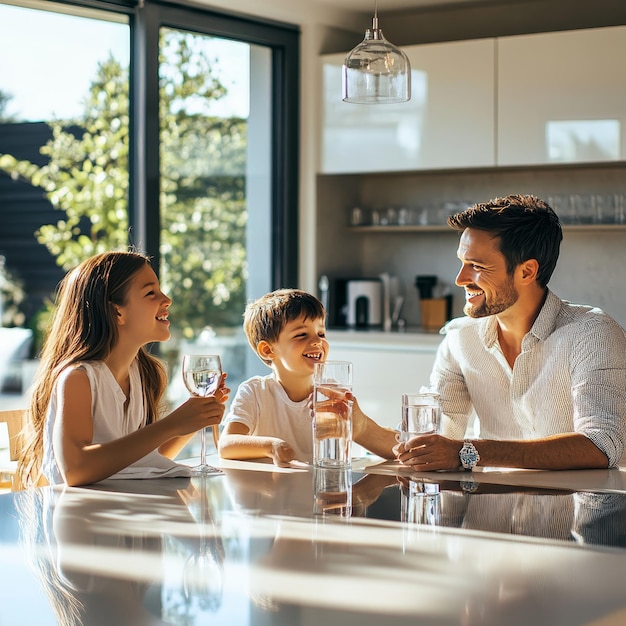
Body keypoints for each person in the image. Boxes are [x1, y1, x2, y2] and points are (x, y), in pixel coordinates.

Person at [396, 194, 626, 471]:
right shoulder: (460, 338)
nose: (460, 279)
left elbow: (601, 445)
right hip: (490, 511)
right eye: (462, 262)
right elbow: (435, 440)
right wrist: (357, 423)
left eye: (478, 267)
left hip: (579, 511)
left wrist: (471, 452)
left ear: (527, 272)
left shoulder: (593, 334)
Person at [15, 250, 229, 489]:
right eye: (151, 293)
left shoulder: (143, 373)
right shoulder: (78, 378)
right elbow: (76, 469)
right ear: (117, 311)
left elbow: (140, 458)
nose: (166, 299)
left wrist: (193, 421)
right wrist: (173, 424)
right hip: (78, 517)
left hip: (125, 510)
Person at [218, 288, 396, 466]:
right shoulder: (255, 392)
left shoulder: (331, 393)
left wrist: (355, 428)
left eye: (321, 333)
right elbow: (226, 445)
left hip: (321, 489)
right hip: (274, 490)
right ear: (268, 350)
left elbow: (370, 448)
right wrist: (271, 446)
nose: (318, 341)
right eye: (301, 334)